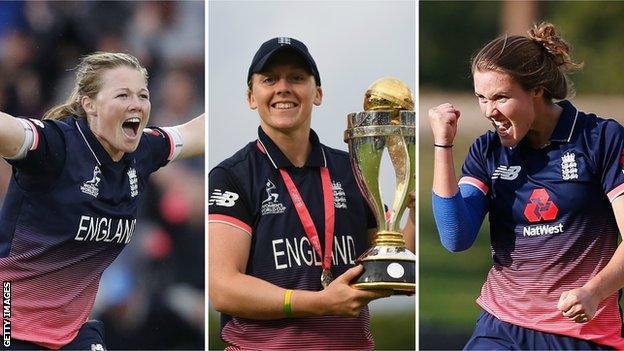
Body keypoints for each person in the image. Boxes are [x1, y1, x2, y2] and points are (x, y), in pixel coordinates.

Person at [208, 37, 415, 350]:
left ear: (317, 93)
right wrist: (319, 302)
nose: (283, 88)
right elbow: (223, 288)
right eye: (269, 79)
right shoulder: (233, 176)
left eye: (296, 77)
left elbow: (392, 269)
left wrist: (413, 214)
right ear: (252, 96)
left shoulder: (352, 168)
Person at [429, 22, 624, 350]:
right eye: (481, 98)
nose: (490, 111)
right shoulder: (488, 150)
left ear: (536, 89)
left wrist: (594, 292)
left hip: (581, 334)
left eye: (501, 97)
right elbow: (455, 237)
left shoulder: (601, 139)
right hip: (501, 328)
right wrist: (442, 146)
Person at [0, 52, 204, 350]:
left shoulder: (143, 150)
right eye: (123, 95)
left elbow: (197, 132)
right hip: (10, 325)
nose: (136, 104)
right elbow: (11, 130)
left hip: (73, 333)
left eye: (142, 95)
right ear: (89, 105)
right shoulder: (56, 146)